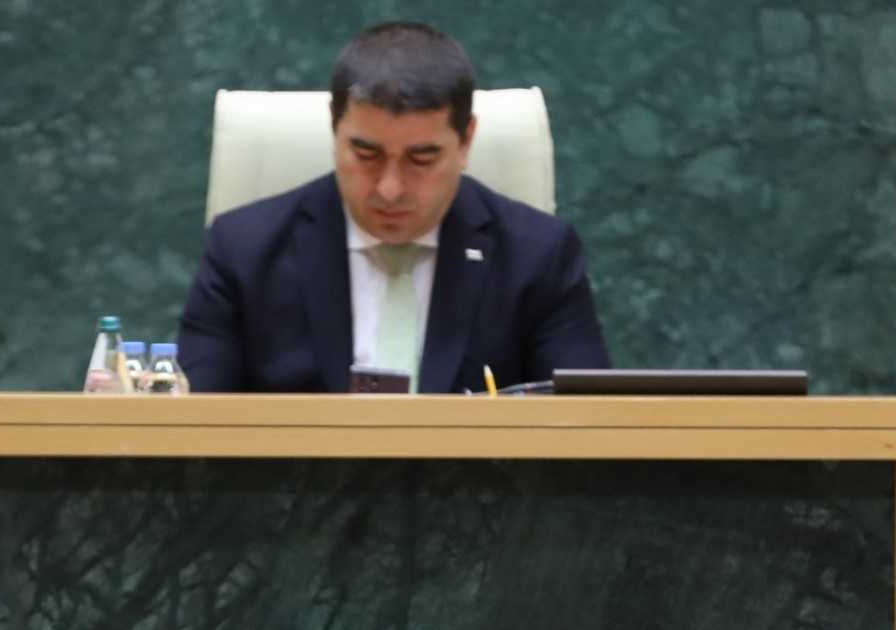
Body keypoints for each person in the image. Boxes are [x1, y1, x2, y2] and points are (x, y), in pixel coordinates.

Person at [177, 22, 610, 393]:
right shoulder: (244, 251)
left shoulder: (538, 255)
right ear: (334, 130)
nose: (390, 189)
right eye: (366, 155)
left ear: (466, 140)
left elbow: (588, 430)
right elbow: (196, 432)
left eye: (421, 159)